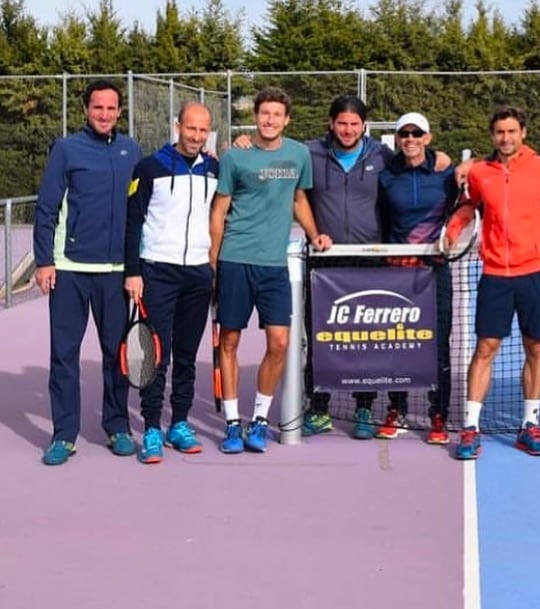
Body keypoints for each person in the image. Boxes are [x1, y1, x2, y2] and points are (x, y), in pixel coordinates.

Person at [300, 95, 450, 440]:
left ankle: (364, 407)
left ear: (364, 126)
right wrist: (242, 144)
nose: (348, 129)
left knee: (367, 341)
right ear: (331, 123)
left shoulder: (382, 157)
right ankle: (318, 407)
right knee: (322, 337)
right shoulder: (309, 153)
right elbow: (282, 166)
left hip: (373, 261)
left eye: (355, 123)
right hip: (325, 263)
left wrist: (442, 157)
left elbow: (423, 162)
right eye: (342, 123)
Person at [209, 86, 330, 454]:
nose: (270, 119)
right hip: (234, 261)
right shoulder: (235, 158)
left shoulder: (298, 155)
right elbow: (218, 211)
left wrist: (315, 233)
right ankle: (233, 424)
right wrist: (215, 260)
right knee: (229, 342)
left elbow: (299, 199)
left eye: (277, 114)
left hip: (274, 267)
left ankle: (259, 420)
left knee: (279, 343)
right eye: (264, 113)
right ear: (256, 116)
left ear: (286, 119)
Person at [33, 79, 143, 465]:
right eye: (98, 107)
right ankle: (64, 435)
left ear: (118, 111)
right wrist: (44, 261)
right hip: (68, 270)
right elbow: (46, 209)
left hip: (115, 273)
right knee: (64, 355)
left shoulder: (132, 150)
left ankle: (117, 426)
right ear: (86, 109)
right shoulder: (66, 150)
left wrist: (135, 268)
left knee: (117, 354)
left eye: (112, 108)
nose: (105, 114)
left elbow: (138, 215)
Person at [455, 105, 540, 460]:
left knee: (536, 348)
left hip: (537, 272)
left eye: (512, 131)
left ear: (523, 133)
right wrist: (451, 233)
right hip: (496, 274)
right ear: (492, 136)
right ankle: (470, 427)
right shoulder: (481, 173)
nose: (506, 137)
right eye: (500, 132)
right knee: (485, 349)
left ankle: (530, 424)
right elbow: (468, 207)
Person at [124, 102, 219, 463]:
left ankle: (178, 423)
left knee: (187, 356)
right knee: (155, 353)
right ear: (177, 126)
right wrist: (133, 272)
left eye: (202, 131)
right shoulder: (149, 168)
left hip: (197, 273)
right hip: (157, 272)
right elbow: (133, 222)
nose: (196, 136)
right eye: (190, 128)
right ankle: (151, 427)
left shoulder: (214, 168)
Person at [377, 111, 457, 444]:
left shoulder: (446, 173)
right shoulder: (386, 176)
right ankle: (397, 409)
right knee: (397, 344)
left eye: (416, 133)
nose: (410, 139)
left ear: (428, 137)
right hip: (397, 273)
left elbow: (468, 202)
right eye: (404, 134)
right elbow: (381, 219)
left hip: (434, 272)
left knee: (437, 345)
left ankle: (438, 414)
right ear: (398, 139)